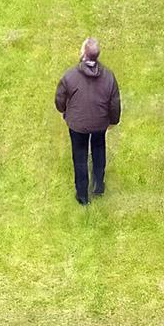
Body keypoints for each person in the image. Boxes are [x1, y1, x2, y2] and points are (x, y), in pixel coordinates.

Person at [54, 36, 121, 205]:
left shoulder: (70, 76)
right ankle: (98, 186)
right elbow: (114, 103)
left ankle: (83, 196)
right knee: (99, 150)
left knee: (80, 157)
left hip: (77, 125)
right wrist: (113, 121)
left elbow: (60, 99)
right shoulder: (109, 76)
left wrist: (63, 110)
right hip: (100, 124)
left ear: (84, 53)